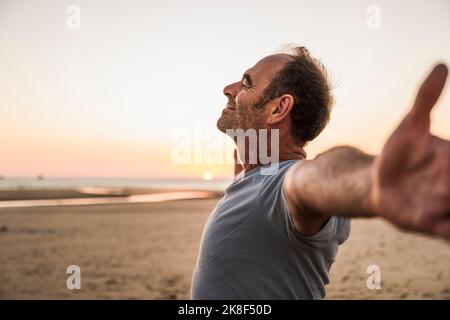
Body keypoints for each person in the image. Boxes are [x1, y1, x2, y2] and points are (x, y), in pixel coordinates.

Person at [191, 47, 450, 299]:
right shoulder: (259, 177)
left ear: (278, 109)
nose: (229, 89)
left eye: (246, 84)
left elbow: (313, 179)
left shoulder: (286, 183)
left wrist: (370, 180)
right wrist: (246, 168)